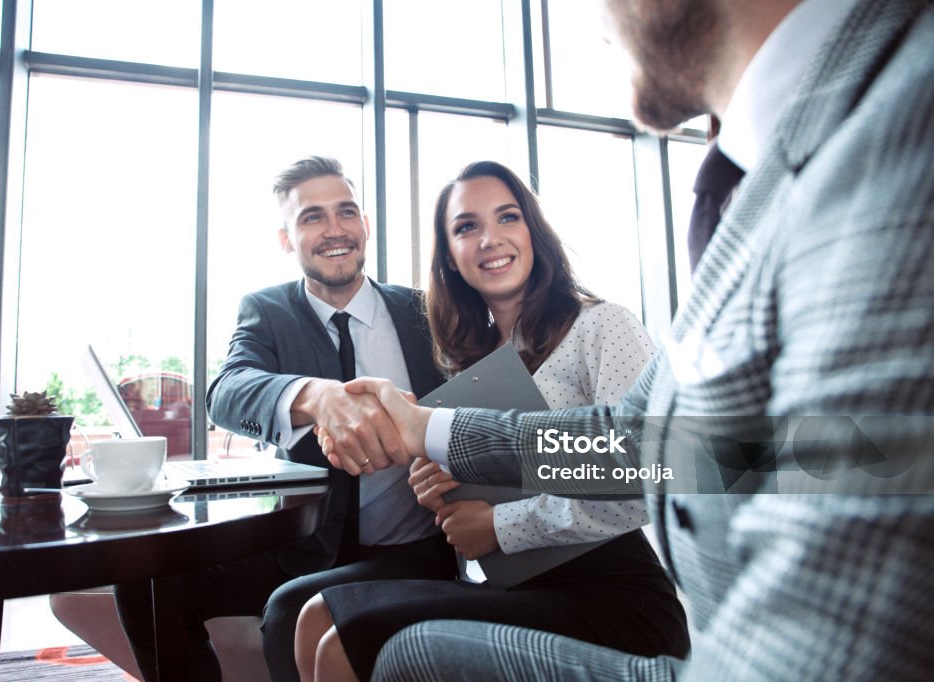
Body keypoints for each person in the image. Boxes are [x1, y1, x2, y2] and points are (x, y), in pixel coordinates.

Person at [325, 1, 934, 680]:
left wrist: (502, 524)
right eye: (466, 228)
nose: (595, 23)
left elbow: (843, 618)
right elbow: (635, 438)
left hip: (694, 632)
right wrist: (425, 428)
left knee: (401, 654)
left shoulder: (904, 125)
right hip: (675, 618)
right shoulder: (764, 175)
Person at [295, 161, 690, 681]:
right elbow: (495, 480)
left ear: (534, 232)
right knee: (312, 617)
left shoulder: (602, 326)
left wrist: (500, 527)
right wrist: (443, 479)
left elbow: (651, 479)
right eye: (466, 227)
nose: (490, 239)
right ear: (452, 259)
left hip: (611, 592)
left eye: (507, 218)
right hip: (514, 585)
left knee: (347, 641)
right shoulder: (466, 365)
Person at [114, 156, 456, 682]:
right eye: (312, 217)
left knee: (291, 611)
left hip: (409, 549)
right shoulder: (267, 311)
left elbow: (477, 403)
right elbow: (226, 392)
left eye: (346, 212)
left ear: (365, 225)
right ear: (286, 239)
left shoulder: (420, 310)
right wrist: (315, 396)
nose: (334, 229)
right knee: (142, 579)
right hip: (304, 545)